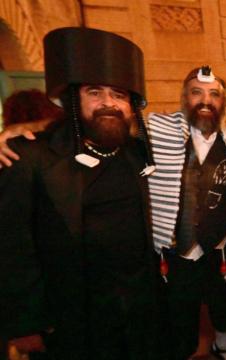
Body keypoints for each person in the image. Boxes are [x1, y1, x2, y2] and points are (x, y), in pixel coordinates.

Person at [0, 27, 160, 359]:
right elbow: (12, 245)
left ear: (131, 106)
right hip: (72, 319)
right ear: (74, 100)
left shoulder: (135, 153)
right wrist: (26, 324)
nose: (108, 104)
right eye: (94, 92)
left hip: (138, 311)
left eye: (118, 95)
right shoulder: (28, 158)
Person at [146, 66, 226, 360]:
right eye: (197, 92)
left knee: (223, 304)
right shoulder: (156, 129)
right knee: (180, 313)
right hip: (178, 248)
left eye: (214, 94)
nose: (205, 100)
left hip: (220, 245)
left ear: (222, 103)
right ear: (184, 98)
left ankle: (223, 344)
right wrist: (21, 129)